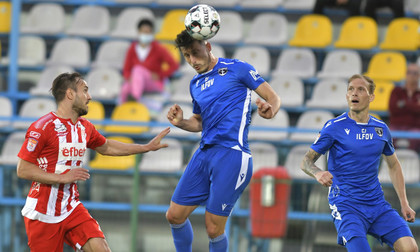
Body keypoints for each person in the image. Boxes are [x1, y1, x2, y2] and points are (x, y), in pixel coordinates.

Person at [17, 72, 170, 252]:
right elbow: (23, 169)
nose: (89, 96)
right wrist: (62, 178)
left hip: (71, 207)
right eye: (85, 90)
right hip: (42, 213)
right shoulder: (42, 127)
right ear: (70, 94)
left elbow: (106, 147)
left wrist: (145, 148)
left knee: (101, 248)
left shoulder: (85, 127)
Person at [165, 30, 281, 252]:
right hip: (204, 153)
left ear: (208, 47)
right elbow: (199, 123)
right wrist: (181, 122)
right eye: (187, 56)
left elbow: (273, 98)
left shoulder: (238, 68)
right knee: (174, 215)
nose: (192, 61)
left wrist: (270, 110)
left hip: (232, 154)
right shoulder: (195, 83)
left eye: (196, 53)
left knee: (213, 228)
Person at [300, 74, 417, 251]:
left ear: (371, 97)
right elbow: (306, 161)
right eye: (351, 89)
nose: (354, 93)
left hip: (376, 204)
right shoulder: (334, 127)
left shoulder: (380, 129)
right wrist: (318, 173)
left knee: (410, 248)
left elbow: (393, 165)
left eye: (361, 89)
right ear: (347, 95)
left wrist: (404, 202)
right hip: (347, 206)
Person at [120, 18, 179, 104]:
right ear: (138, 32)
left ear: (152, 33)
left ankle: (135, 98)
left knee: (137, 69)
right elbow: (126, 69)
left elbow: (174, 65)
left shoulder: (158, 48)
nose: (145, 34)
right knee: (125, 87)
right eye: (143, 32)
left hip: (153, 82)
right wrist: (128, 78)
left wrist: (160, 75)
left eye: (148, 32)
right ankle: (122, 111)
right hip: (136, 81)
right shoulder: (132, 48)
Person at [388, 63, 420, 151]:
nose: (411, 75)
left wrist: (404, 104)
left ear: (418, 76)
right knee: (387, 136)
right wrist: (414, 105)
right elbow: (393, 109)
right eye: (409, 72)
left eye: (414, 73)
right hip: (396, 126)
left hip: (415, 128)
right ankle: (391, 162)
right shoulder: (396, 91)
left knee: (416, 137)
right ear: (405, 74)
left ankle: (411, 163)